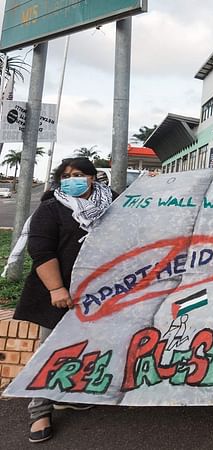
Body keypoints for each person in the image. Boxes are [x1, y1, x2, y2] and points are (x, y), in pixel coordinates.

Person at [12, 157, 116, 443]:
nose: (72, 179)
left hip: (98, 292)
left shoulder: (113, 203)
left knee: (85, 347)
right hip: (57, 293)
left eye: (79, 174)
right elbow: (42, 252)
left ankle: (65, 396)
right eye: (66, 175)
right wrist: (57, 289)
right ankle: (40, 411)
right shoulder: (51, 208)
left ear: (94, 178)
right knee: (49, 350)